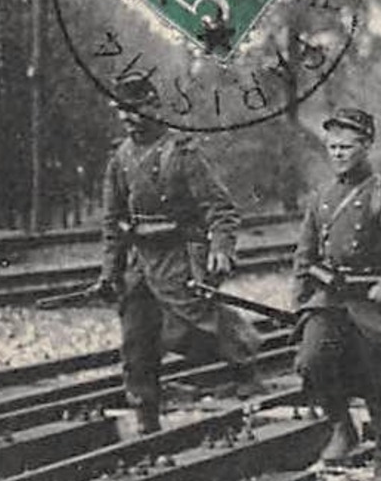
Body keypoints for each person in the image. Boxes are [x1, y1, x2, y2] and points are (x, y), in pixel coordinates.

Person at [95, 75, 263, 434]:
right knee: (136, 338)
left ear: (154, 107)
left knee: (195, 326)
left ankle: (244, 362)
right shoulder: (119, 158)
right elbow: (113, 222)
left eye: (135, 109)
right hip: (141, 262)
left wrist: (221, 249)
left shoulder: (182, 153)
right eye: (122, 111)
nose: (128, 118)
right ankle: (145, 415)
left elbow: (220, 209)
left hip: (181, 256)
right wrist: (110, 272)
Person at [292, 107, 381, 481]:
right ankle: (342, 427)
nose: (337, 153)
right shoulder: (321, 197)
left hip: (373, 298)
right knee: (312, 362)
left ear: (366, 146)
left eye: (347, 147)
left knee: (380, 376)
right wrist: (300, 302)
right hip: (330, 298)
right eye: (332, 147)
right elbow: (304, 255)